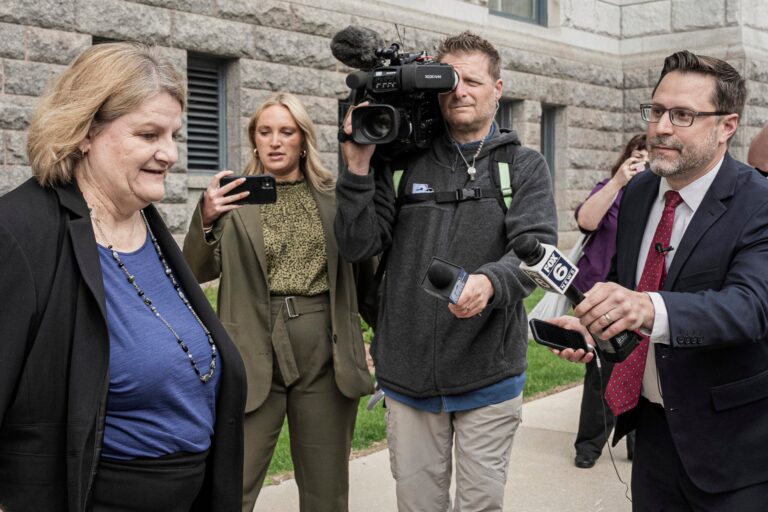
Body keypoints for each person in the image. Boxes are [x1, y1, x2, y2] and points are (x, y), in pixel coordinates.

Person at [0, 43, 246, 511]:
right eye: (149, 134)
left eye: (175, 134)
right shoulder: (18, 233)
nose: (170, 154)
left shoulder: (147, 225)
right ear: (84, 132)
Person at [335, 32, 557, 511]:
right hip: (407, 376)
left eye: (473, 81)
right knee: (417, 505)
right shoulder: (401, 161)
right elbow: (357, 245)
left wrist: (491, 283)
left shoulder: (523, 164)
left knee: (479, 505)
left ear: (498, 89)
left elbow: (537, 254)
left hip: (488, 375)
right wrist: (356, 169)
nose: (461, 92)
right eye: (451, 81)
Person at [551, 50, 768, 511]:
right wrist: (593, 325)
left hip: (735, 453)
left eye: (683, 115)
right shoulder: (639, 191)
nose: (661, 128)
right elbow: (619, 282)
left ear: (726, 126)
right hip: (651, 435)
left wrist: (648, 307)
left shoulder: (759, 203)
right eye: (655, 111)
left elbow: (751, 306)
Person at [183, 92, 374, 512]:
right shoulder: (232, 199)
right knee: (233, 484)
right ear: (254, 139)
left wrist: (370, 336)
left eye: (286, 132)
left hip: (324, 346)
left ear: (303, 139)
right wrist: (207, 216)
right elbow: (195, 271)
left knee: (326, 490)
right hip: (252, 345)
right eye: (264, 131)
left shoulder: (334, 197)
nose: (274, 141)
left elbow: (364, 273)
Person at [571, 134, 647, 469]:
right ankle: (589, 445)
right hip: (601, 295)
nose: (640, 163)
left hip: (643, 297)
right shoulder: (610, 189)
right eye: (636, 156)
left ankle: (637, 441)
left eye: (648, 158)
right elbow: (586, 222)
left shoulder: (663, 198)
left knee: (643, 370)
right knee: (602, 370)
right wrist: (618, 181)